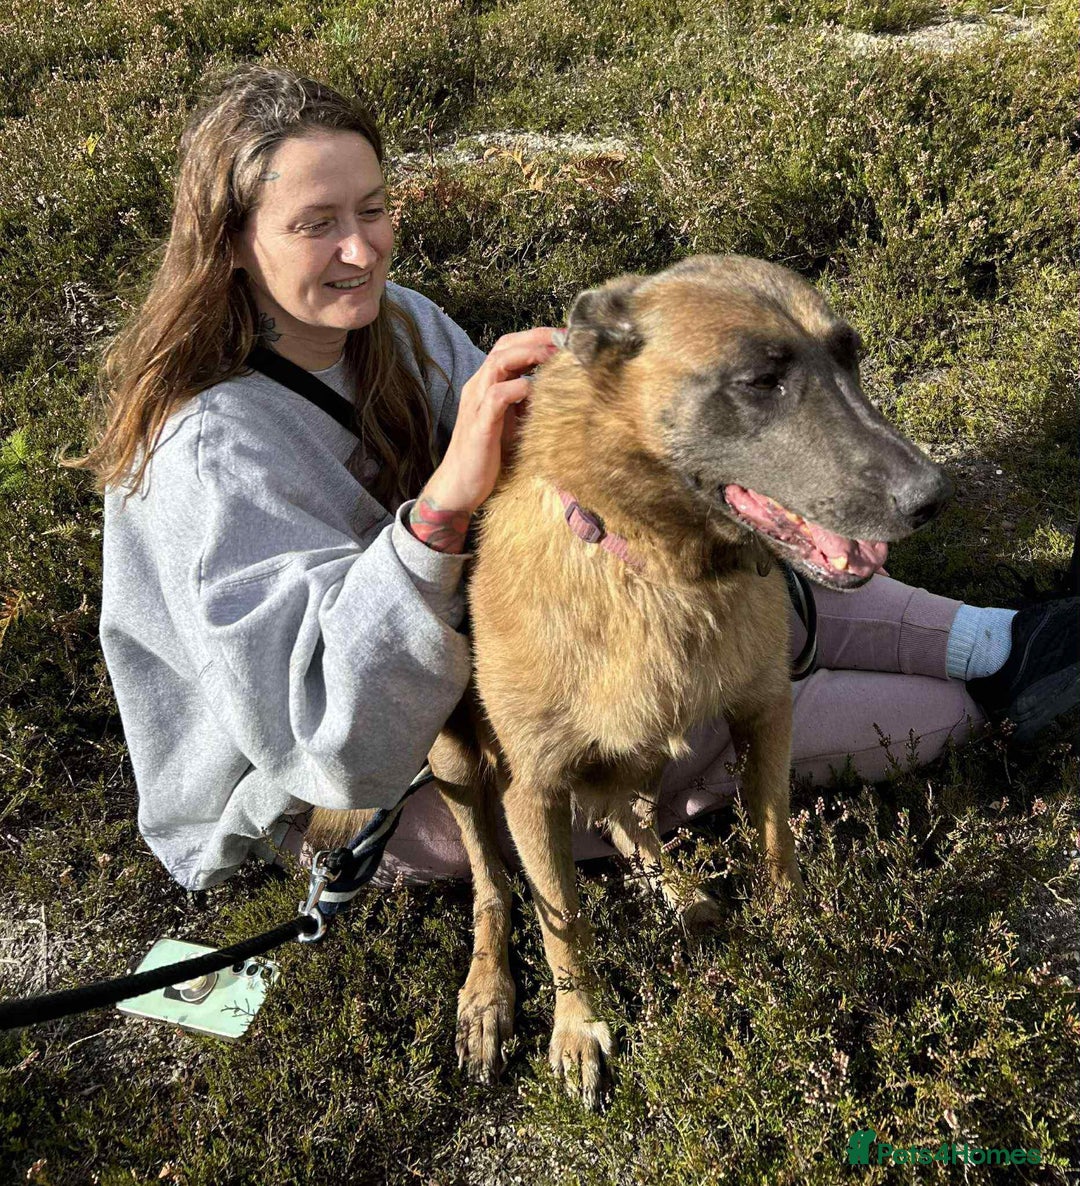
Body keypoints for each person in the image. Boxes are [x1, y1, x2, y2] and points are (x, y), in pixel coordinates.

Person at [67, 64, 1080, 893]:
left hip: (488, 645)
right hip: (354, 784)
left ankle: (998, 640)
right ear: (232, 245)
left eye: (373, 209)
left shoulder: (399, 321)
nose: (359, 248)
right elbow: (330, 740)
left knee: (704, 559)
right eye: (314, 223)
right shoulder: (204, 450)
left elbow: (562, 481)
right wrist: (439, 515)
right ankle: (975, 703)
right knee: (676, 736)